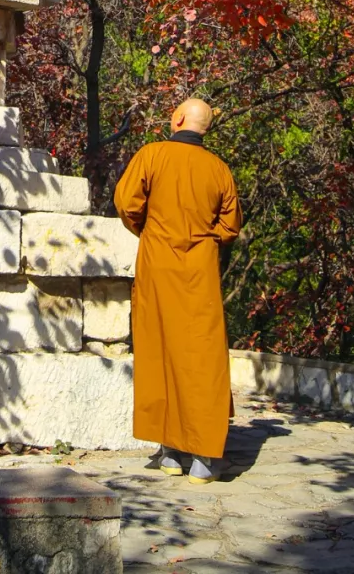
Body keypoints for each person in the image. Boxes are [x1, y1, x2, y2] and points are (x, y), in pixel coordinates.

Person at [113, 97, 242, 483]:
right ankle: (203, 457)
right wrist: (202, 242)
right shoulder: (219, 169)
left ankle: (171, 453)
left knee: (159, 349)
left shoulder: (152, 155)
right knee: (202, 356)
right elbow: (230, 225)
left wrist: (150, 232)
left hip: (157, 263)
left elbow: (125, 203)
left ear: (179, 118)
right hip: (199, 269)